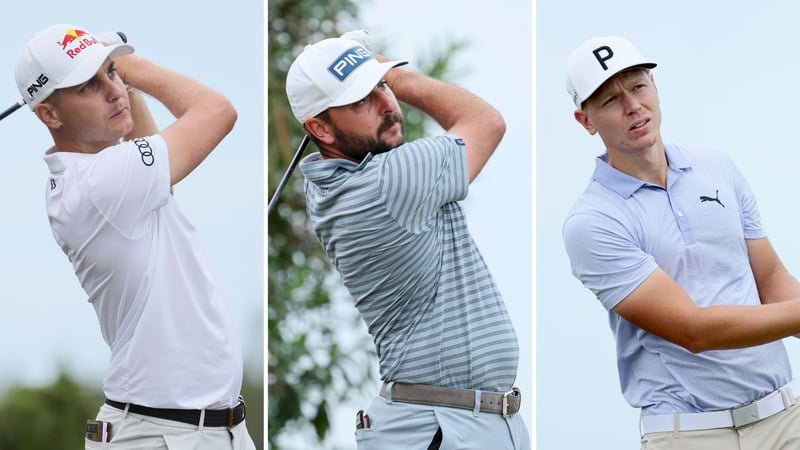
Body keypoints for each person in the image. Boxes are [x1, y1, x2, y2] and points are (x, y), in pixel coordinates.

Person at [15, 24, 256, 449]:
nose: (114, 91)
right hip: (161, 435)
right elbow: (218, 111)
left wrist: (117, 78)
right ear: (49, 115)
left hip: (199, 430)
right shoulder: (101, 183)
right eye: (89, 85)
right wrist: (133, 67)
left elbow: (156, 166)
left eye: (111, 74)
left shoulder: (102, 176)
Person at [284, 34, 530, 449]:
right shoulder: (387, 183)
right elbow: (487, 121)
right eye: (361, 99)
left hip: (454, 421)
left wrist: (367, 71)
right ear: (319, 128)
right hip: (440, 425)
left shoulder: (328, 186)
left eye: (381, 86)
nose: (387, 104)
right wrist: (396, 74)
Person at [562, 35, 800, 449]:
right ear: (586, 120)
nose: (632, 105)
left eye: (637, 86)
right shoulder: (592, 222)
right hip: (689, 434)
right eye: (610, 100)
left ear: (655, 86)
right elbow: (693, 330)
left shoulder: (717, 166)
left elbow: (770, 278)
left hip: (785, 418)